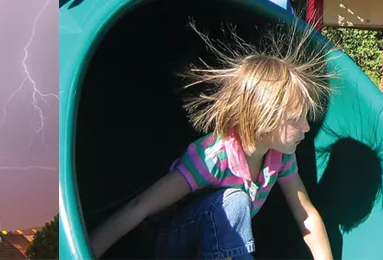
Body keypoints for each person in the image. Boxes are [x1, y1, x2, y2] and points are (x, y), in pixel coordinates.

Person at [88, 22, 336, 260]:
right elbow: (140, 207)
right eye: (295, 120)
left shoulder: (280, 156)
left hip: (220, 247)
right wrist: (84, 252)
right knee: (235, 201)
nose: (306, 127)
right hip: (166, 242)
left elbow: (306, 215)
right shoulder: (212, 158)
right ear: (263, 118)